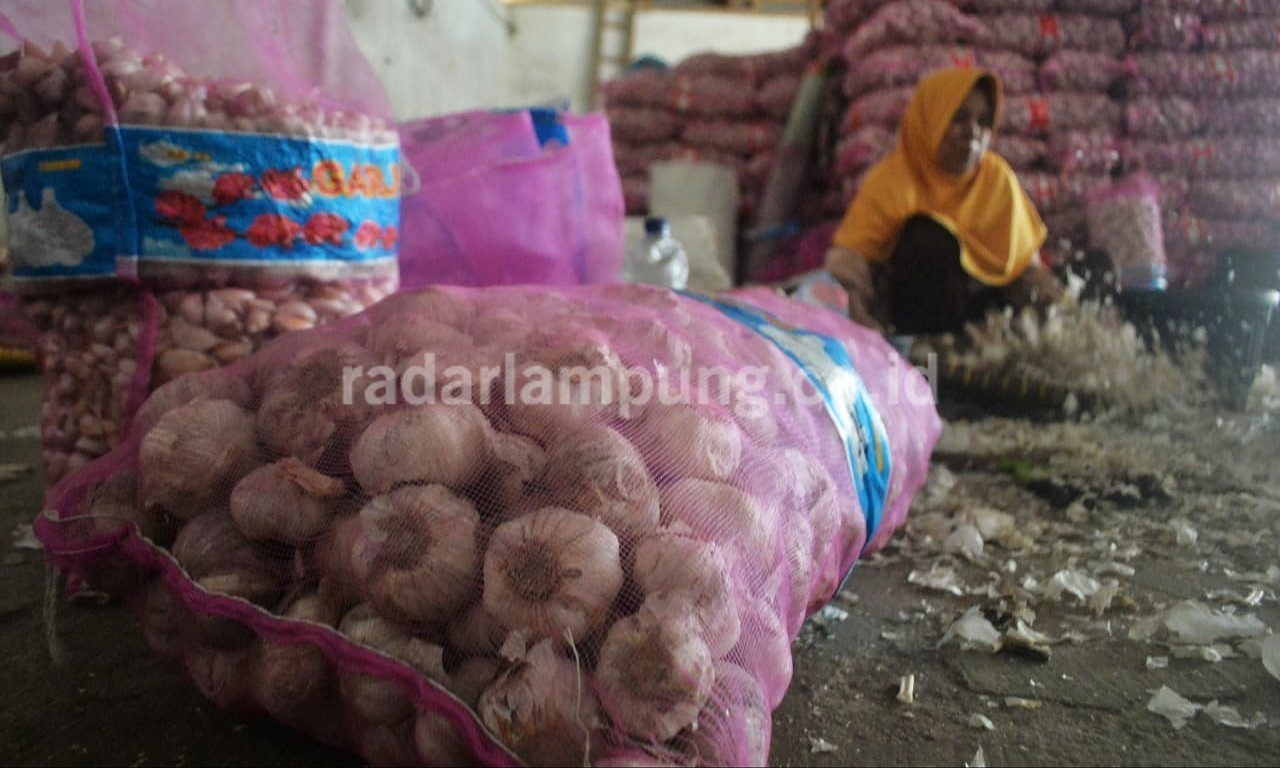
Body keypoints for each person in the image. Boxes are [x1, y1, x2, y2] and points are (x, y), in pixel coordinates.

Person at [824, 67, 1064, 336]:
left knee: (1091, 269)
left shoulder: (996, 180)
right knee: (929, 237)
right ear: (930, 119)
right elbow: (849, 269)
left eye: (983, 121)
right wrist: (862, 332)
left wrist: (1059, 315)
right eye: (959, 118)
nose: (973, 132)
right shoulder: (892, 181)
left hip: (985, 327)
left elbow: (1024, 268)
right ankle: (930, 357)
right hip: (915, 327)